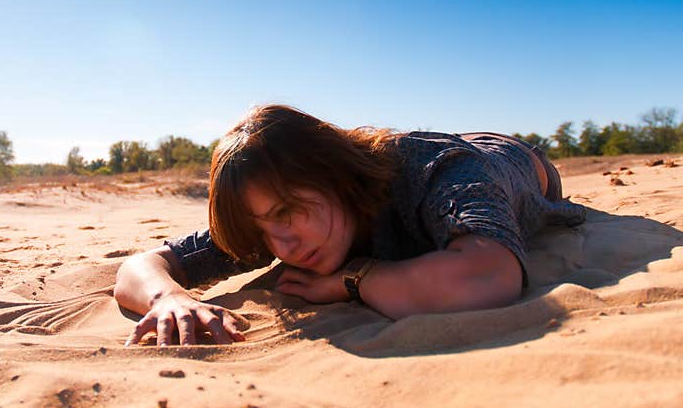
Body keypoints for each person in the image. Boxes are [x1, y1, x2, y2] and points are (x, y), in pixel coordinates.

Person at [115, 104, 587, 347]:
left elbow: (490, 275)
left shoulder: (438, 171)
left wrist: (354, 280)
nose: (280, 244)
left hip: (514, 160)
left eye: (285, 213)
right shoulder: (276, 213)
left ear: (333, 176)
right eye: (262, 230)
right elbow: (143, 265)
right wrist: (169, 298)